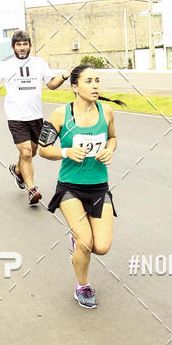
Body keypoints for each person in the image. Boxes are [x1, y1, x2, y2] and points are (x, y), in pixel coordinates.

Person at [38, 65, 124, 309]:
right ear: (75, 87)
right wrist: (66, 151)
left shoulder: (106, 112)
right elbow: (43, 149)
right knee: (86, 241)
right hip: (70, 188)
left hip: (99, 187)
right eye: (89, 81)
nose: (95, 85)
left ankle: (77, 244)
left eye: (97, 80)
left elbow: (113, 137)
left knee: (102, 247)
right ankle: (82, 286)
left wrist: (109, 150)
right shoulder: (60, 115)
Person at [0, 30, 71, 205]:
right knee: (26, 152)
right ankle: (32, 190)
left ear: (30, 45)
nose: (22, 48)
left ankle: (17, 170)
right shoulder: (5, 65)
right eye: (18, 44)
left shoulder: (39, 63)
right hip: (16, 117)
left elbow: (51, 85)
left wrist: (63, 77)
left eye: (25, 44)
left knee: (33, 152)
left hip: (36, 116)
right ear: (13, 47)